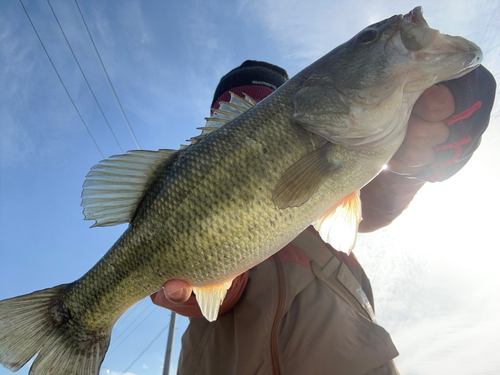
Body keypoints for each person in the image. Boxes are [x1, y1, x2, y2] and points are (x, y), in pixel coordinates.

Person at [150, 61, 496, 374]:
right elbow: (213, 292)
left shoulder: (328, 188)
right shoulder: (180, 211)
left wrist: (414, 162)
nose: (255, 140)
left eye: (264, 113)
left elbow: (377, 199)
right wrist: (200, 284)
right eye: (234, 121)